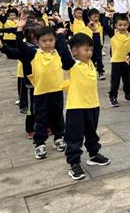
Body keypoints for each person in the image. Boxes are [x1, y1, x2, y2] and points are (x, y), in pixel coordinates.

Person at [57, 32, 111, 180]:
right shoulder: (72, 65)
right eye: (85, 50)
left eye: (90, 50)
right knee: (74, 137)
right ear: (75, 51)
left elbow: (98, 50)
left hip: (93, 105)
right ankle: (74, 163)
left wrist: (95, 33)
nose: (89, 53)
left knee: (92, 133)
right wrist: (60, 36)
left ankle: (93, 155)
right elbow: (64, 54)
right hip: (76, 107)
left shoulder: (90, 64)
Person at [15, 20, 67, 160]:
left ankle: (59, 138)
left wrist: (60, 34)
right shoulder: (34, 53)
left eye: (51, 40)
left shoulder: (58, 53)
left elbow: (66, 51)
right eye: (44, 41)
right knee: (41, 118)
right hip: (41, 93)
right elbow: (20, 45)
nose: (48, 43)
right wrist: (19, 29)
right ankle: (40, 144)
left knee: (58, 116)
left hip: (57, 90)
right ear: (37, 42)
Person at [102, 14, 130, 107]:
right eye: (120, 25)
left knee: (127, 79)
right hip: (116, 61)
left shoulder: (129, 32)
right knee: (115, 80)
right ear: (115, 25)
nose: (122, 27)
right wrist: (106, 16)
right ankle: (113, 96)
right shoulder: (113, 33)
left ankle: (128, 94)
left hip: (127, 61)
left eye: (125, 25)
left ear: (128, 25)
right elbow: (105, 25)